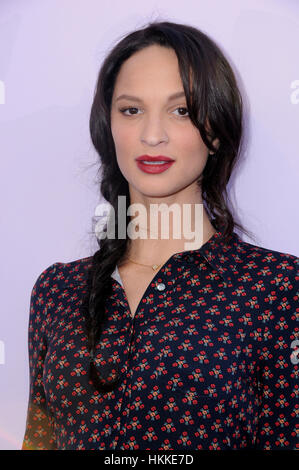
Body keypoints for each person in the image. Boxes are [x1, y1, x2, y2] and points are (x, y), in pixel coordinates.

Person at [22, 20, 298, 450]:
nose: (152, 135)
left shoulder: (277, 289)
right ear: (107, 125)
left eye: (181, 110)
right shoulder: (56, 290)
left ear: (217, 130)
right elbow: (38, 440)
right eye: (131, 110)